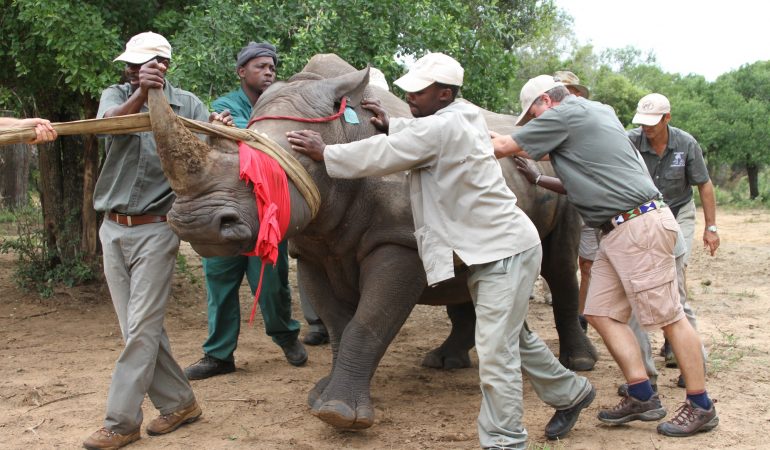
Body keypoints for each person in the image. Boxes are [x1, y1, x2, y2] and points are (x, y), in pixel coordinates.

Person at [286, 53, 595, 449]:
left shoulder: (443, 127)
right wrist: (393, 122)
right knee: (512, 337)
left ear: (444, 94)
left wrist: (324, 152)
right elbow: (423, 133)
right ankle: (572, 394)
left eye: (419, 90)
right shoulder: (460, 116)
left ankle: (504, 441)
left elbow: (383, 155)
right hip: (490, 250)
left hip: (504, 251)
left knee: (496, 354)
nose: (409, 95)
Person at [492, 75, 718, 437]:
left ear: (544, 103)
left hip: (637, 226)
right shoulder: (596, 114)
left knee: (669, 316)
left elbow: (502, 145)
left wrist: (443, 136)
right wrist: (537, 176)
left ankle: (700, 404)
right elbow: (575, 176)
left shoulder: (564, 114)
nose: (533, 125)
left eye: (531, 116)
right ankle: (642, 394)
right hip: (617, 230)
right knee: (598, 311)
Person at [84, 31, 232, 450]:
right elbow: (106, 126)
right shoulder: (114, 94)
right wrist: (140, 94)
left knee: (141, 329)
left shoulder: (189, 106)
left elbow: (207, 160)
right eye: (129, 65)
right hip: (112, 229)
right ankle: (181, 402)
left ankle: (120, 422)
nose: (131, 70)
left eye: (141, 65)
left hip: (156, 230)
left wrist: (216, 132)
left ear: (164, 65)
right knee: (137, 329)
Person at [183, 41, 310, 381]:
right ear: (242, 72)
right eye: (260, 66)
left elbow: (262, 143)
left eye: (272, 66)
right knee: (220, 280)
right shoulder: (224, 105)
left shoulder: (281, 105)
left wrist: (234, 133)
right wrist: (217, 129)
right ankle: (218, 354)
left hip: (266, 209)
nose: (269, 71)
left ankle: (286, 336)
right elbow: (245, 140)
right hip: (225, 208)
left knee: (271, 283)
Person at [628, 92, 718, 374]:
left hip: (679, 212)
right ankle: (656, 360)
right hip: (644, 217)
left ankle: (689, 359)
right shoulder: (630, 140)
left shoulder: (686, 143)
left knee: (675, 282)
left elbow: (704, 185)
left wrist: (711, 227)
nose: (646, 128)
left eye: (653, 122)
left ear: (667, 118)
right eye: (642, 122)